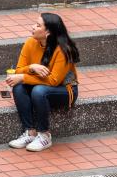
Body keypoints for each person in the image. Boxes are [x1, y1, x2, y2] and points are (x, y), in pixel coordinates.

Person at [6, 12, 80, 152]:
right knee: (19, 87)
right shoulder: (30, 42)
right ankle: (30, 132)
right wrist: (32, 67)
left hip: (65, 90)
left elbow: (53, 80)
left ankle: (44, 135)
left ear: (48, 32)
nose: (33, 27)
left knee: (38, 91)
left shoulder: (63, 50)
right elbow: (18, 70)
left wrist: (24, 77)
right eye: (35, 24)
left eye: (38, 25)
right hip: (40, 85)